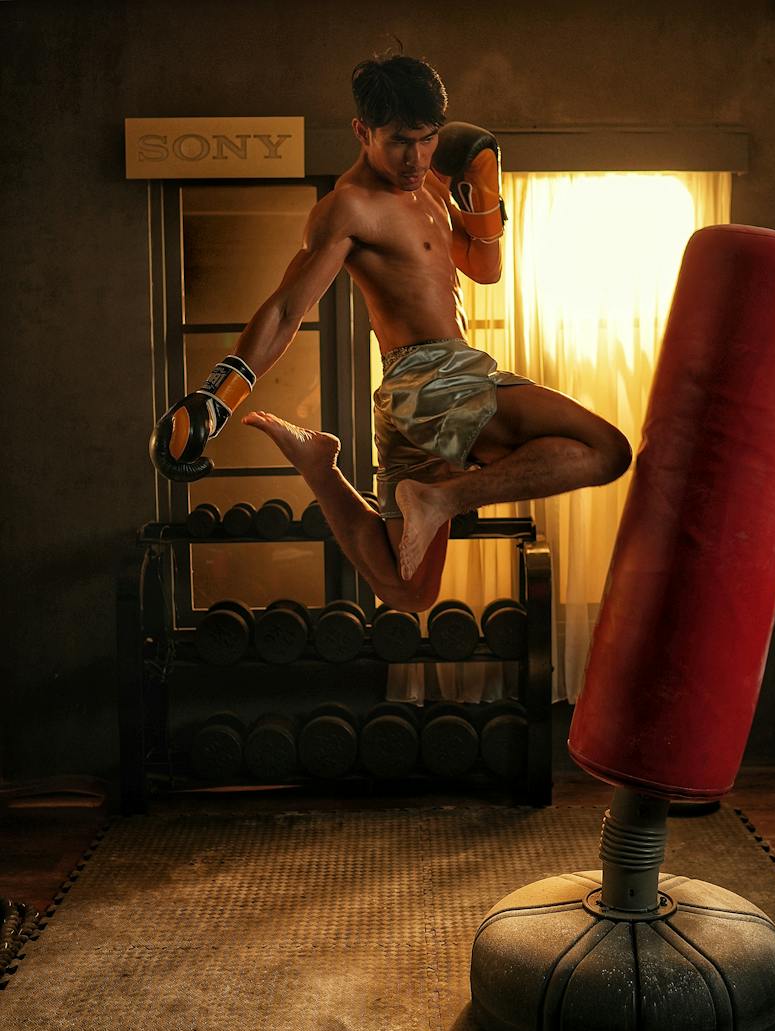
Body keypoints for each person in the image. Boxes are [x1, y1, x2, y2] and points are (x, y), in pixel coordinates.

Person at [148, 53, 631, 612]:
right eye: (401, 141)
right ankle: (439, 499)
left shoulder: (428, 185)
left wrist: (484, 193)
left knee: (407, 593)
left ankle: (320, 469)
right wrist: (216, 399)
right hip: (433, 382)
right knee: (607, 450)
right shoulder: (348, 208)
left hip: (415, 397)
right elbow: (285, 309)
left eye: (427, 140)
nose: (416, 157)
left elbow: (484, 269)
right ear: (362, 131)